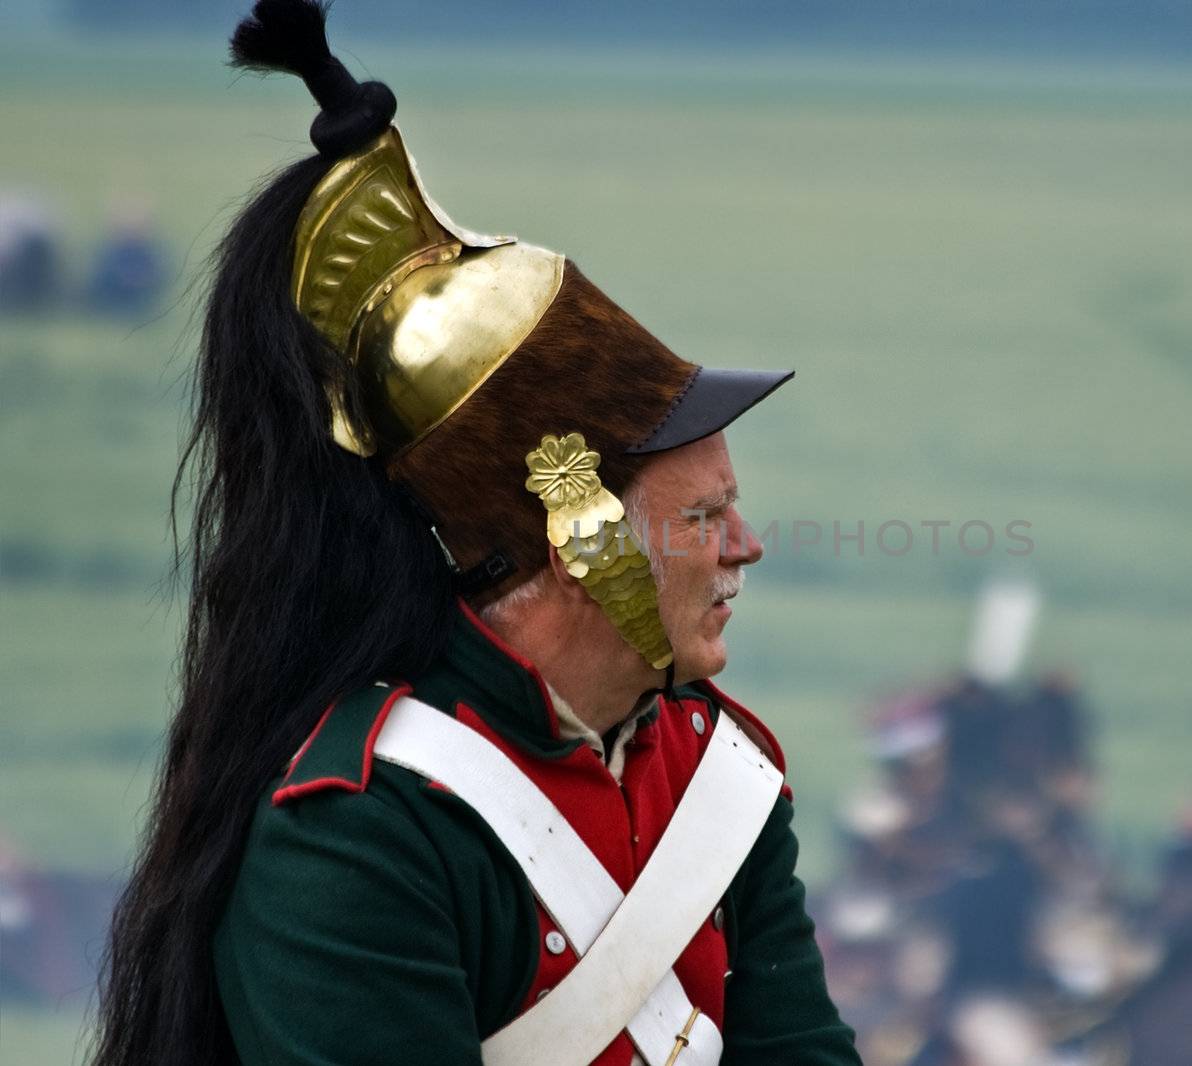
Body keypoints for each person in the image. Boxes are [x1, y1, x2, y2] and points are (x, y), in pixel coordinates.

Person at [91, 3, 858, 1065]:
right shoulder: (359, 830)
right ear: (573, 532)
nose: (746, 546)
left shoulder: (721, 777)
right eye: (703, 517)